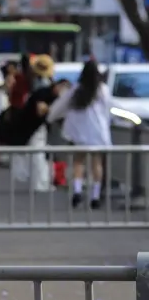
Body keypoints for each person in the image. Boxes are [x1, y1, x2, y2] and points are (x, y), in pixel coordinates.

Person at [47, 59, 112, 208]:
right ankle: (95, 196)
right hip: (97, 132)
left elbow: (61, 105)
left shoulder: (77, 89)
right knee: (97, 164)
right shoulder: (102, 90)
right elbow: (108, 110)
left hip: (80, 133)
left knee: (78, 161)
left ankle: (77, 191)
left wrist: (51, 116)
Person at [11, 54, 55, 192]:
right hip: (38, 124)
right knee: (38, 153)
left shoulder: (31, 81)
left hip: (28, 122)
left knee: (35, 153)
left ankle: (37, 181)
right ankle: (40, 183)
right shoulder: (43, 85)